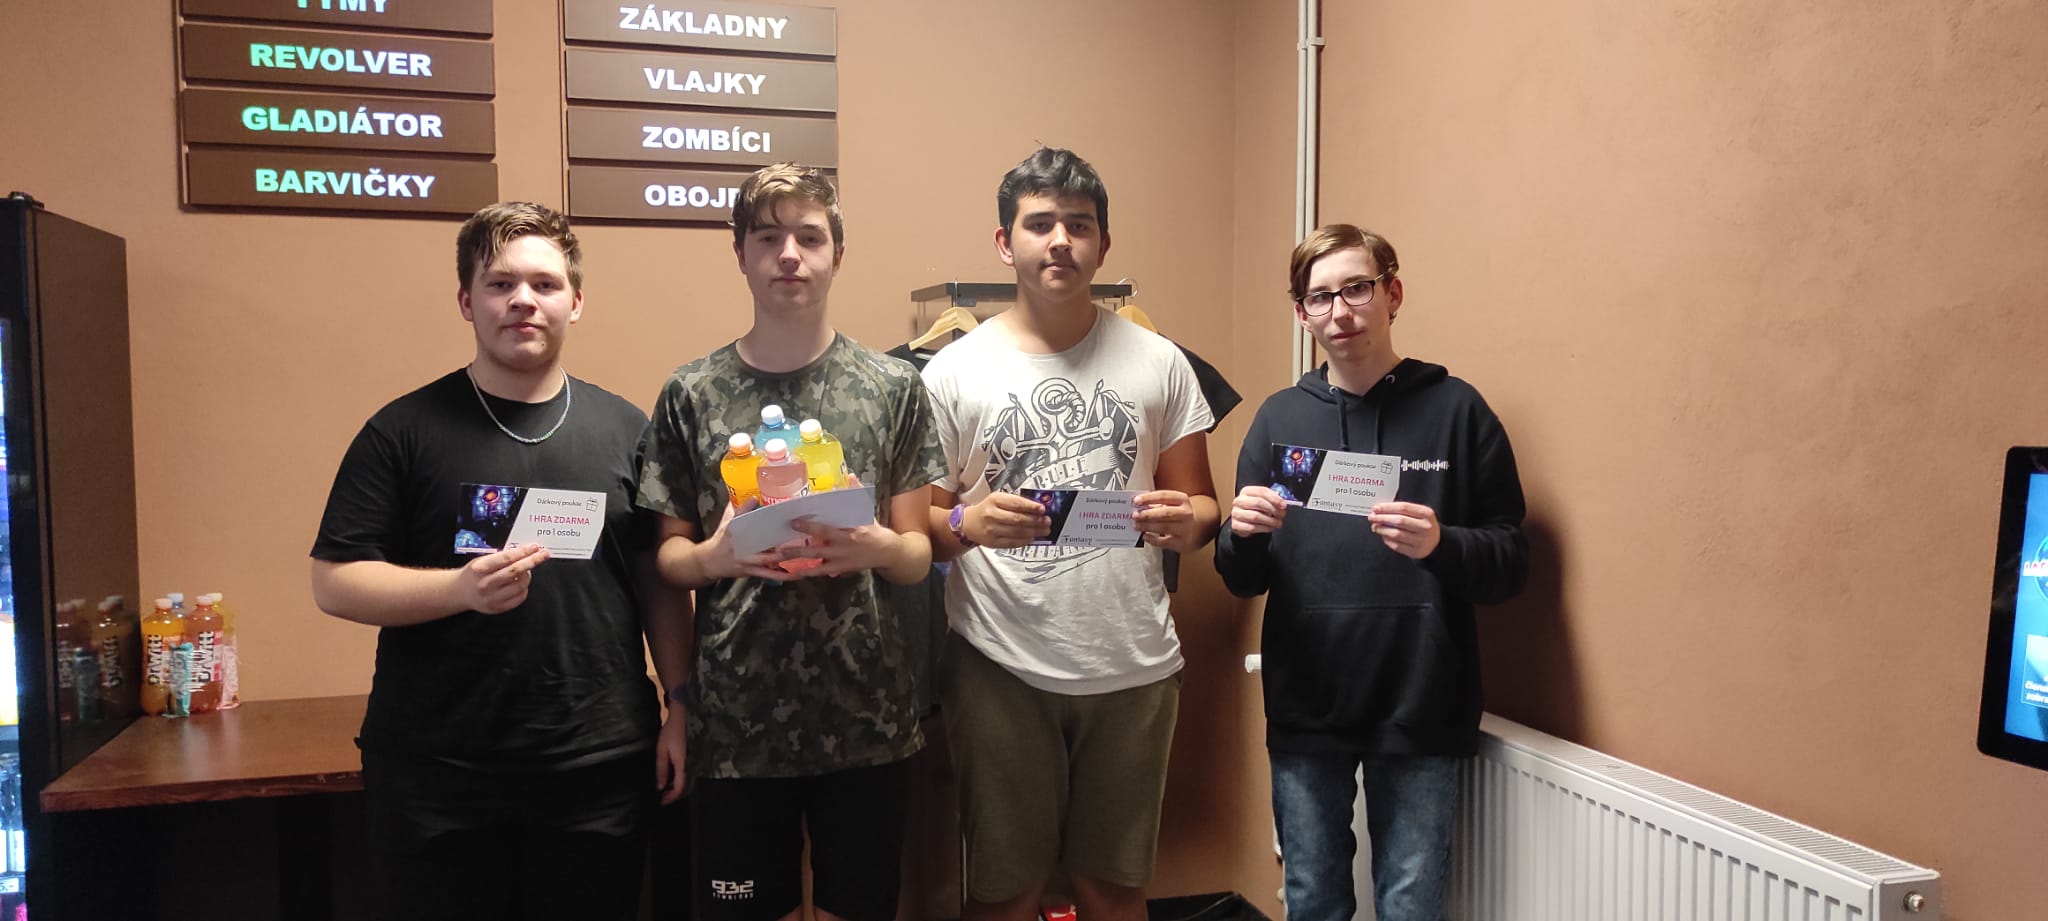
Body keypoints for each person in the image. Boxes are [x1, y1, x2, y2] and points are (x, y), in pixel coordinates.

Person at [310, 201, 686, 921]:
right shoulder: (402, 431)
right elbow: (334, 581)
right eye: (500, 283)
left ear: (576, 302)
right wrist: (458, 590)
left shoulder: (627, 429)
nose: (523, 300)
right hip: (436, 775)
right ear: (466, 301)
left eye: (545, 284)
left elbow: (656, 580)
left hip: (596, 767)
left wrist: (682, 703)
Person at [633, 162, 945, 921]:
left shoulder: (891, 387)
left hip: (867, 714)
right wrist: (713, 557)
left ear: (838, 253)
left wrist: (876, 547)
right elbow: (667, 558)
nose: (789, 256)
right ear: (739, 253)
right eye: (768, 238)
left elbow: (918, 554)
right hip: (736, 717)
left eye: (809, 237)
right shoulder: (692, 392)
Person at [921, 147, 1220, 921]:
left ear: (1103, 245)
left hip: (1132, 663)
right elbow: (918, 525)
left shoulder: (1161, 362)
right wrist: (967, 522)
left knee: (1113, 892)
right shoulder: (951, 372)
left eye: (1079, 226)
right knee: (1004, 894)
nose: (1060, 240)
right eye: (1040, 223)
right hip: (998, 662)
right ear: (1004, 242)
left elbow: (1204, 508)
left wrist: (1185, 522)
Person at [1214, 224, 1528, 921]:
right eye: (1320, 297)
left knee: (1410, 906)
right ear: (1302, 314)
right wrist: (1242, 533)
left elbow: (1511, 564)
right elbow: (1240, 576)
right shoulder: (1278, 419)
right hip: (1307, 703)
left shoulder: (1457, 411)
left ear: (1393, 294)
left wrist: (1442, 544)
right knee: (1312, 899)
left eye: (1357, 288)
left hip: (1422, 700)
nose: (1341, 311)